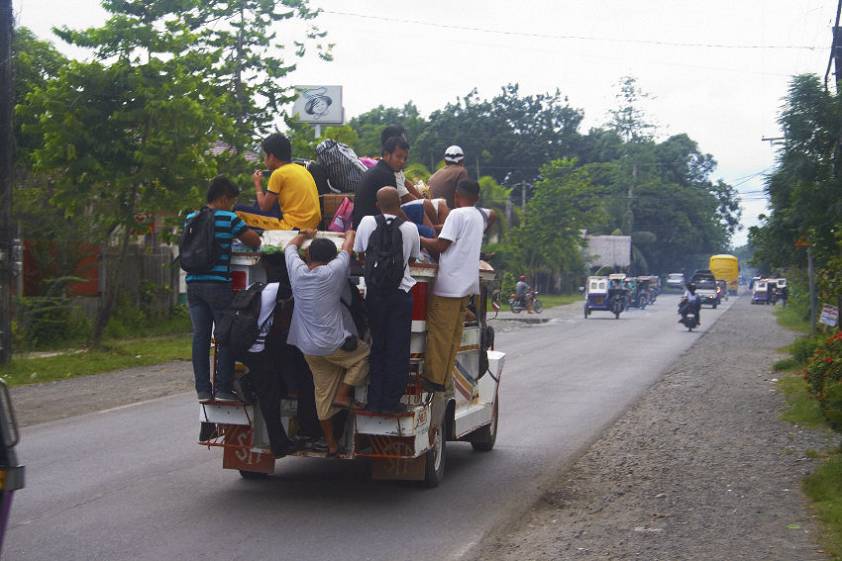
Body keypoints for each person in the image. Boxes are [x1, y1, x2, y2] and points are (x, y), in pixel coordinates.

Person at [285, 229, 369, 456]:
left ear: (308, 256)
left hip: (308, 348)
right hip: (333, 344)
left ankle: (331, 444)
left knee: (322, 395)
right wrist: (350, 232)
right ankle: (343, 394)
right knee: (364, 356)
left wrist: (304, 234)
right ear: (331, 259)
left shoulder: (297, 272)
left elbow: (289, 247)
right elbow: (347, 249)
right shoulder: (333, 272)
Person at [186, 176, 261, 402]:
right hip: (217, 284)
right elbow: (254, 241)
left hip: (193, 284)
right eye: (231, 201)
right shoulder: (229, 218)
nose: (232, 205)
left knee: (200, 336)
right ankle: (222, 389)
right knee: (225, 335)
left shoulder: (191, 217)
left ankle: (202, 389)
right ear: (223, 198)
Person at [239, 255, 321, 457]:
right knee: (270, 396)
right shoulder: (280, 291)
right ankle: (279, 444)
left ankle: (248, 382)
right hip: (257, 350)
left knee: (274, 384)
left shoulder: (257, 288)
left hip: (243, 346)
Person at [354, 187, 421, 413]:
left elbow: (360, 253)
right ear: (399, 205)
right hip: (400, 294)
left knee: (378, 346)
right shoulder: (410, 228)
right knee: (398, 349)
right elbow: (412, 258)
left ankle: (374, 400)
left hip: (374, 295)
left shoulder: (365, 223)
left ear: (377, 204)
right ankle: (392, 402)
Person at [419, 179, 486, 392]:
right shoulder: (478, 216)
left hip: (449, 285)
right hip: (467, 286)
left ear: (456, 195)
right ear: (476, 197)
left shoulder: (456, 215)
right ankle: (444, 378)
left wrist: (417, 237)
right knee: (453, 337)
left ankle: (433, 379)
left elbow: (440, 245)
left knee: (440, 335)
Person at [251, 133, 321, 230]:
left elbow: (264, 208)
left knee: (239, 211)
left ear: (271, 156)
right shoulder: (302, 169)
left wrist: (257, 184)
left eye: (265, 155)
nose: (264, 159)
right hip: (312, 226)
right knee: (270, 197)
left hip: (294, 227)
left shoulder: (278, 173)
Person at [352, 136, 410, 228]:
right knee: (424, 228)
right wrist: (411, 226)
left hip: (361, 225)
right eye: (398, 157)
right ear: (387, 155)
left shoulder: (376, 170)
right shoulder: (386, 175)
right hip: (374, 228)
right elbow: (395, 210)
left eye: (405, 158)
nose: (402, 161)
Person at [380, 125, 422, 202]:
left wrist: (423, 199)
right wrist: (425, 203)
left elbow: (407, 184)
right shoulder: (387, 170)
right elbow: (406, 198)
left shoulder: (394, 165)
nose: (405, 143)